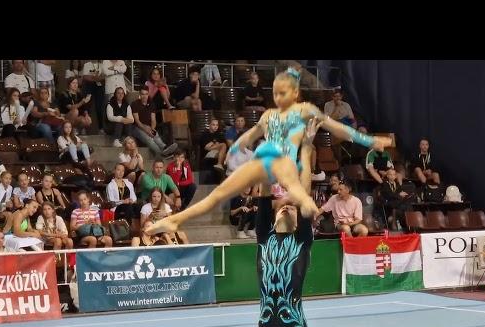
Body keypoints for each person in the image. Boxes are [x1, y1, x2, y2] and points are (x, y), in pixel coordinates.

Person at [146, 67, 389, 237]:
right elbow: (249, 137)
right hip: (263, 162)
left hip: (283, 165)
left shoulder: (305, 110)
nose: (277, 97)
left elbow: (337, 128)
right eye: (274, 93)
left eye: (282, 93)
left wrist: (368, 140)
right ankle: (174, 220)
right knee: (218, 194)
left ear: (295, 93)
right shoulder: (268, 115)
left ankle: (305, 203)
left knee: (285, 173)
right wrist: (235, 149)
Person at [244, 122, 318, 327]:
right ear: (273, 218)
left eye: (291, 208)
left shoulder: (302, 241)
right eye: (281, 207)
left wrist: (308, 146)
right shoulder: (264, 238)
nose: (286, 208)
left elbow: (304, 194)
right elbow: (264, 194)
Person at [131, 86, 178, 157]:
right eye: (142, 94)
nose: (144, 96)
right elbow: (137, 121)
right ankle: (162, 154)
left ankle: (165, 148)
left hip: (149, 127)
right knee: (149, 139)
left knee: (155, 135)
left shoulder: (152, 104)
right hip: (137, 128)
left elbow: (153, 120)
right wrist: (146, 129)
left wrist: (152, 128)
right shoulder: (135, 104)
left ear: (148, 94)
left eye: (146, 94)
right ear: (140, 95)